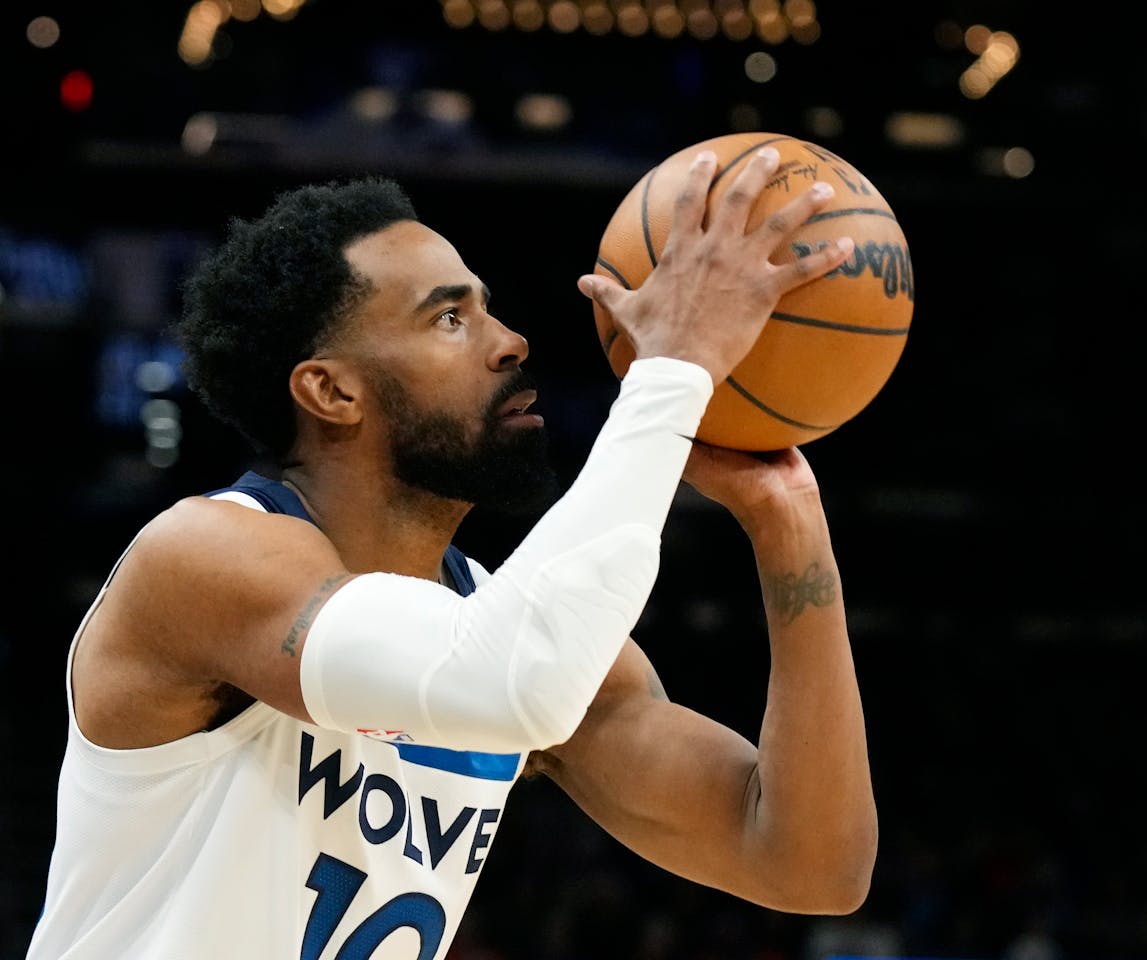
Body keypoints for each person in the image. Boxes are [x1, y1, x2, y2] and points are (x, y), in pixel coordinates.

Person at [25, 145, 878, 959]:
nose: (509, 341)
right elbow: (505, 678)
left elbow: (810, 866)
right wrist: (673, 372)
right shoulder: (202, 557)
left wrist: (788, 521)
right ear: (331, 390)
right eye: (449, 318)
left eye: (486, 306)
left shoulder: (508, 629)